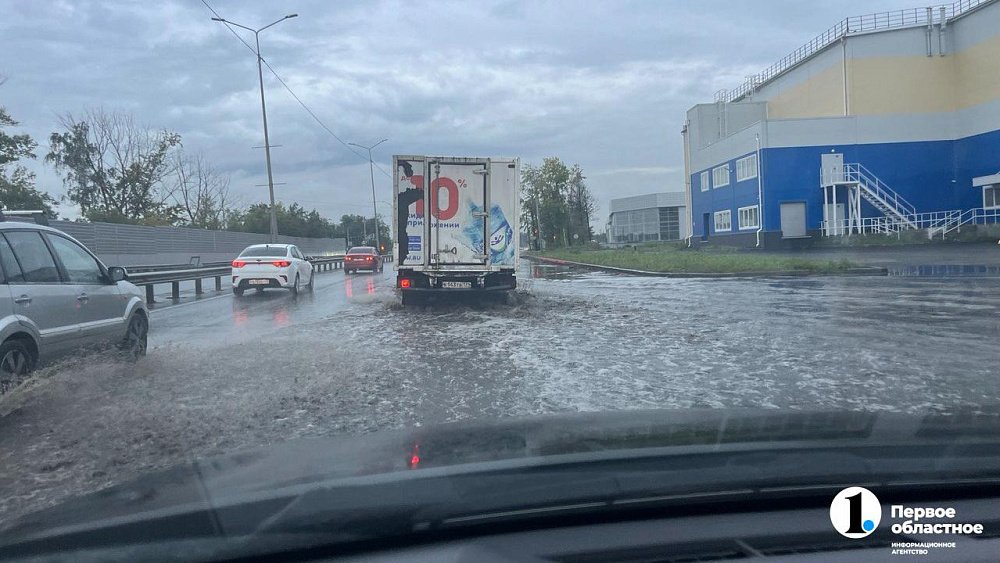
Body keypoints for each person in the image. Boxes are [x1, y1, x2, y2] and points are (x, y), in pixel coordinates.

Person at [396, 160, 424, 264]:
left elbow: (419, 194)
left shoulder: (402, 197)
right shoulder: (402, 197)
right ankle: (402, 255)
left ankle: (402, 256)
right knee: (402, 232)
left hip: (402, 229)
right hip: (402, 229)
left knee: (402, 232)